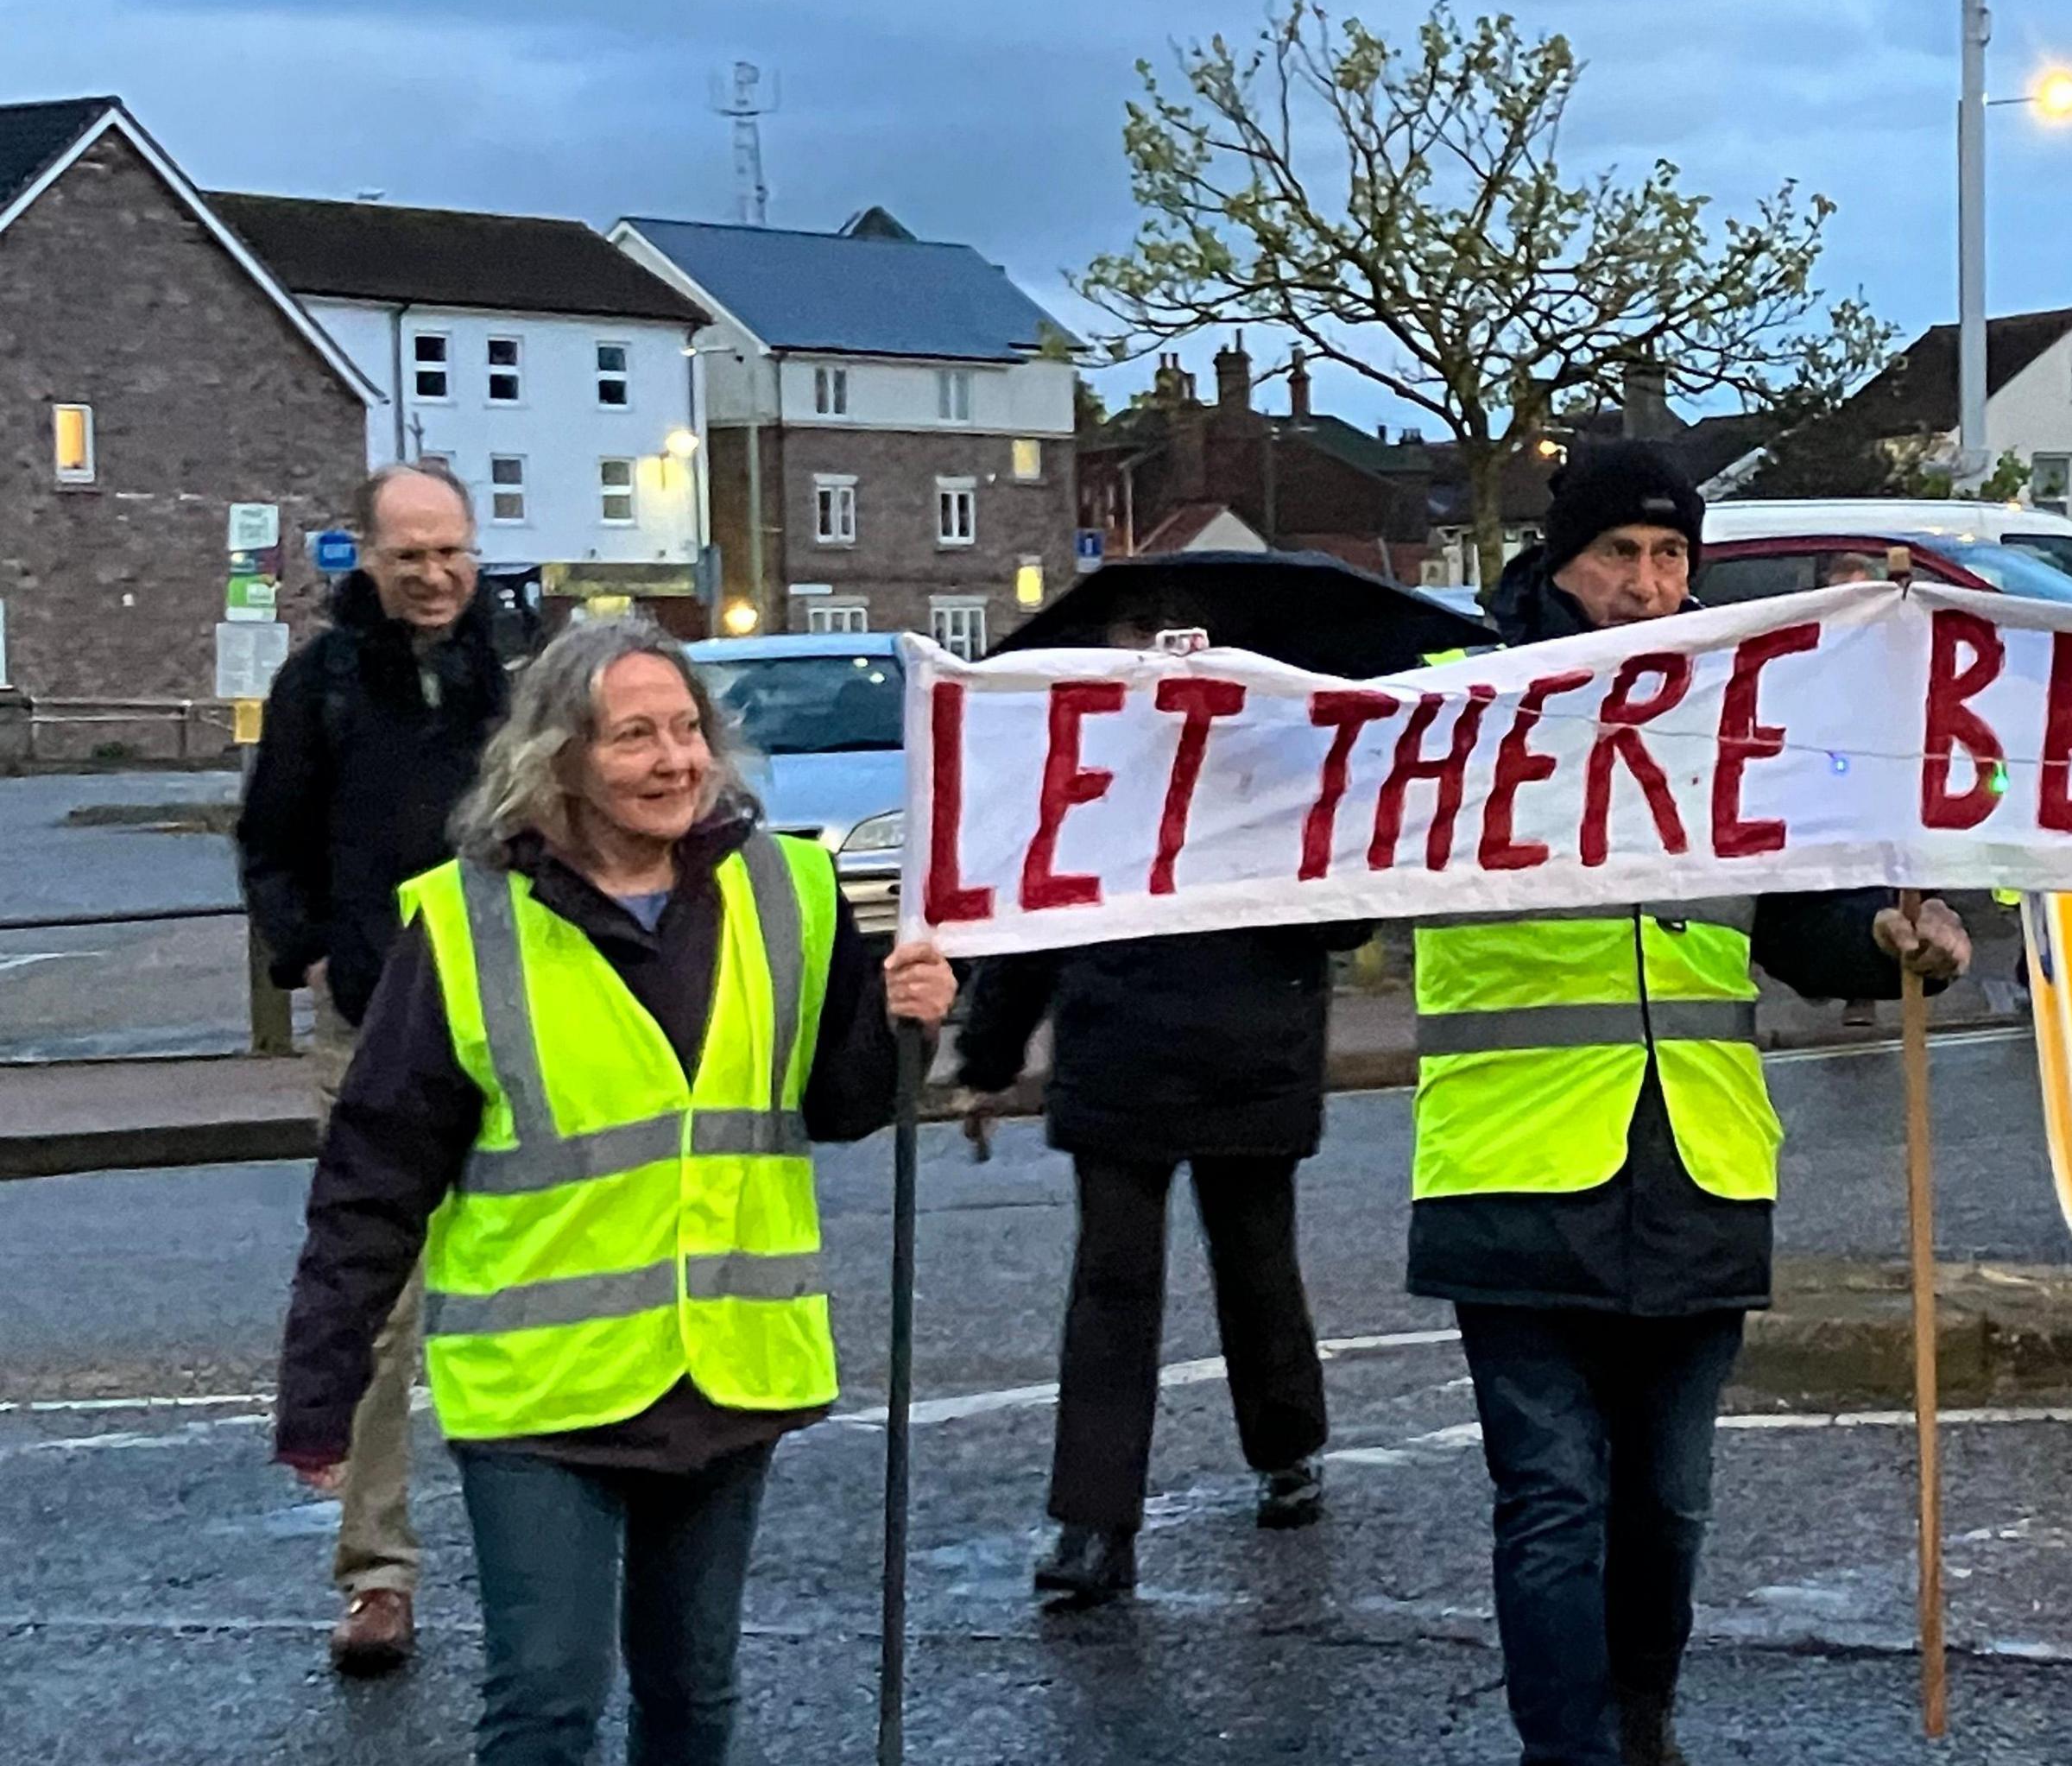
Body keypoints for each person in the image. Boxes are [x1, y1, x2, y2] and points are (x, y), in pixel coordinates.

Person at [272, 617, 957, 1766]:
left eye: (687, 729)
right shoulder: (468, 925)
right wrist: (323, 1380)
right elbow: (374, 1175)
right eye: (634, 736)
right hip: (543, 1393)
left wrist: (911, 1025)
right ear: (560, 759)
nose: (675, 760)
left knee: (694, 1698)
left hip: (726, 1369)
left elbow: (839, 1105)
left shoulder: (789, 887)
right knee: (546, 1701)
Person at [1437, 442, 1973, 1766]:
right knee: (1553, 1498)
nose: (1648, 582)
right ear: (1558, 561)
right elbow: (1316, 868)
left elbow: (1800, 923)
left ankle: (1642, 1721)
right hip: (1512, 1167)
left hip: (1696, 1161)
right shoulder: (1460, 707)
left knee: (1668, 1506)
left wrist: (1887, 943)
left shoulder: (1727, 719)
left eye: (1670, 555)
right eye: (1619, 553)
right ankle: (1570, 1752)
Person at [951, 582, 1371, 1605]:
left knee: (1119, 1292)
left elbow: (1031, 915)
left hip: (1125, 1051)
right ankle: (1285, 1456)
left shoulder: (1084, 775)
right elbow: (1344, 922)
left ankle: (1096, 1526)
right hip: (1241, 1048)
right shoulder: (1280, 762)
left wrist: (987, 1060)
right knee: (1251, 1262)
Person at [233, 460, 506, 1675]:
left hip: (521, 1026)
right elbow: (271, 837)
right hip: (375, 1027)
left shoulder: (527, 675)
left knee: (529, 1307)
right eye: (411, 555)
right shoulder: (323, 684)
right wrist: (311, 954)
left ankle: (551, 1555)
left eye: (451, 550)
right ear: (371, 558)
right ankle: (377, 1578)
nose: (436, 575)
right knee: (379, 1318)